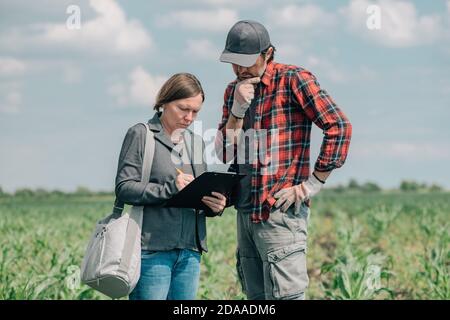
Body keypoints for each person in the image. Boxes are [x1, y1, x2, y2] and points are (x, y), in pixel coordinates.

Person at [215, 20, 352, 300]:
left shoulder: (293, 80)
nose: (240, 69)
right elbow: (225, 152)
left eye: (246, 62)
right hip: (245, 215)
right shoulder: (233, 92)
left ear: (268, 54)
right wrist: (237, 110)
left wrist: (312, 185)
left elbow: (338, 127)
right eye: (234, 63)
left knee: (286, 296)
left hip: (280, 214)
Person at [115, 73, 227, 300]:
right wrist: (169, 188)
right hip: (151, 250)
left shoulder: (195, 142)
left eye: (195, 111)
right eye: (183, 108)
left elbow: (199, 193)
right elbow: (124, 187)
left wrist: (215, 206)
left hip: (190, 252)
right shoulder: (141, 134)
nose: (189, 117)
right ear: (164, 102)